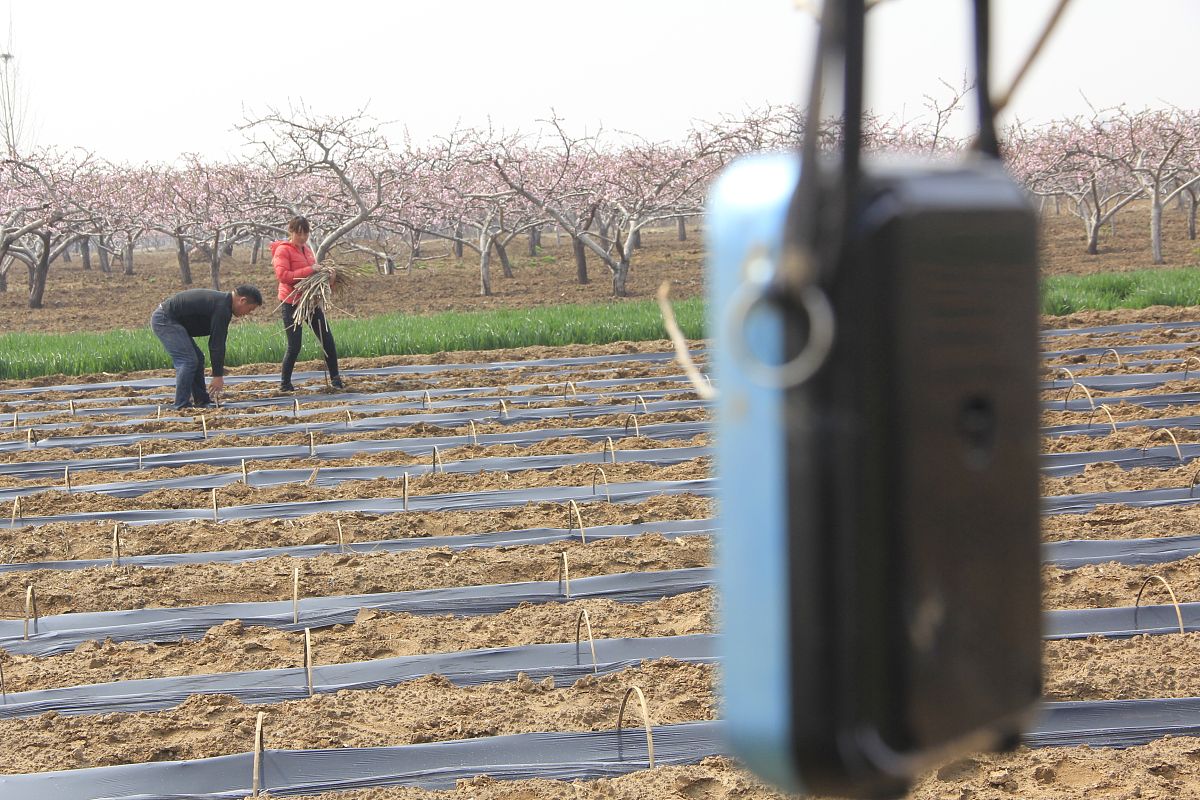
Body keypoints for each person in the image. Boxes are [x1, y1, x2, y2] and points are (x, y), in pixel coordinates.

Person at [150, 285, 263, 409]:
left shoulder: (223, 304)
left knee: (197, 359)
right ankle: (181, 405)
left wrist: (217, 373)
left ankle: (201, 401)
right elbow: (216, 344)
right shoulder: (222, 308)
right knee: (188, 361)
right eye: (250, 309)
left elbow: (218, 341)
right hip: (165, 319)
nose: (247, 314)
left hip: (173, 321)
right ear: (242, 301)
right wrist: (217, 375)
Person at [271, 216, 344, 392]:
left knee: (327, 339)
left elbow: (314, 280)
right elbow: (284, 276)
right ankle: (285, 384)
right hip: (291, 302)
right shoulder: (283, 250)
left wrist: (330, 279)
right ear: (291, 232)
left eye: (306, 233)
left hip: (310, 302)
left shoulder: (307, 251)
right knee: (294, 345)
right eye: (299, 233)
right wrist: (311, 270)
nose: (303, 237)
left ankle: (336, 380)